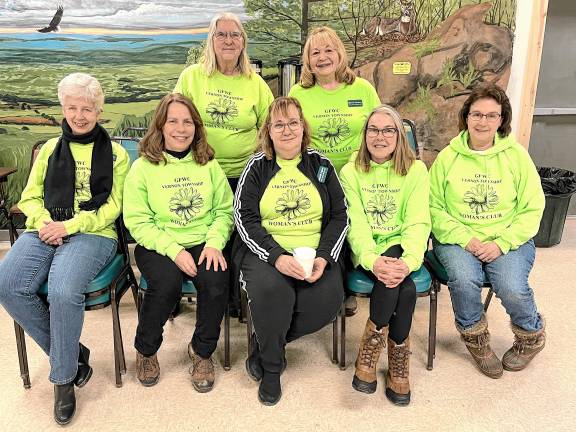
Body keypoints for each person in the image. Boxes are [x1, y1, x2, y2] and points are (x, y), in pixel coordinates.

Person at [0, 73, 129, 425]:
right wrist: (44, 223)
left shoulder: (116, 155)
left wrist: (69, 226)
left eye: (87, 108)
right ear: (63, 108)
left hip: (94, 233)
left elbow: (111, 208)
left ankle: (63, 381)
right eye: (72, 107)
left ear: (99, 110)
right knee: (8, 284)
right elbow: (29, 196)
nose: (80, 115)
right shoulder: (49, 151)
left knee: (62, 289)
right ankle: (72, 353)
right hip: (44, 228)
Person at [233, 97, 348, 406]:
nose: (286, 130)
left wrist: (324, 256)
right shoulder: (257, 167)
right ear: (268, 131)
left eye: (293, 123)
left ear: (303, 127)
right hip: (266, 252)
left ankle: (267, 342)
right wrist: (277, 257)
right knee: (274, 293)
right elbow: (244, 218)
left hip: (314, 250)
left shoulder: (321, 166)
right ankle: (271, 368)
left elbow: (340, 215)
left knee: (327, 301)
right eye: (278, 125)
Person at [429, 84, 546, 379]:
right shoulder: (447, 158)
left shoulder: (516, 157)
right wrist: (467, 239)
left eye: (491, 116)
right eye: (477, 114)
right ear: (466, 117)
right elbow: (433, 208)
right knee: (464, 278)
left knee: (509, 284)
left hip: (507, 238)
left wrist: (501, 243)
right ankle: (475, 339)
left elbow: (533, 207)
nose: (483, 122)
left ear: (501, 120)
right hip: (458, 239)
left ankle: (531, 337)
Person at [123, 93, 233, 393]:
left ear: (196, 127)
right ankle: (146, 350)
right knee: (166, 283)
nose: (181, 128)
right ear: (160, 125)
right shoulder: (143, 168)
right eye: (173, 121)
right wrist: (175, 251)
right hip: (159, 243)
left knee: (215, 281)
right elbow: (137, 221)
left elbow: (224, 210)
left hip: (203, 240)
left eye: (187, 122)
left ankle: (202, 352)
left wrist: (213, 243)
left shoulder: (208, 164)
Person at [339, 104, 430, 405]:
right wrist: (372, 259)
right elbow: (356, 224)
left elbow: (418, 222)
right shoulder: (350, 171)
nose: (380, 136)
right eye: (373, 130)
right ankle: (397, 362)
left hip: (403, 250)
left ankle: (372, 344)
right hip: (368, 253)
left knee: (400, 285)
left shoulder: (416, 170)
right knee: (399, 287)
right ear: (365, 135)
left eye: (388, 130)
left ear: (399, 136)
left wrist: (408, 262)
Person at [289, 26, 381, 316]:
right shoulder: (299, 93)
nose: (323, 57)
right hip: (318, 175)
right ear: (308, 60)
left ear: (340, 53)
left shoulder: (362, 89)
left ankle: (355, 278)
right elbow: (293, 136)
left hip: (359, 172)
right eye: (315, 52)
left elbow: (379, 128)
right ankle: (337, 285)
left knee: (357, 221)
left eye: (329, 50)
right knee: (329, 223)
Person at [174, 12, 274, 191]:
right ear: (211, 41)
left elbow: (271, 129)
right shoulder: (191, 77)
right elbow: (171, 123)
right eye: (221, 34)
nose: (229, 41)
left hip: (246, 175)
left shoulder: (257, 84)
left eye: (235, 35)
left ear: (243, 42)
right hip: (198, 171)